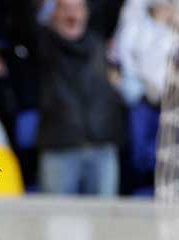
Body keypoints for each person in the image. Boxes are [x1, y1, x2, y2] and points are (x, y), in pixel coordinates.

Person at [36, 0, 123, 196]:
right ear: (52, 14)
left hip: (102, 145)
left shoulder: (100, 41)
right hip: (59, 146)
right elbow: (22, 16)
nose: (71, 14)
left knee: (106, 221)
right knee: (56, 222)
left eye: (77, 8)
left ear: (87, 13)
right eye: (65, 8)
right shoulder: (43, 44)